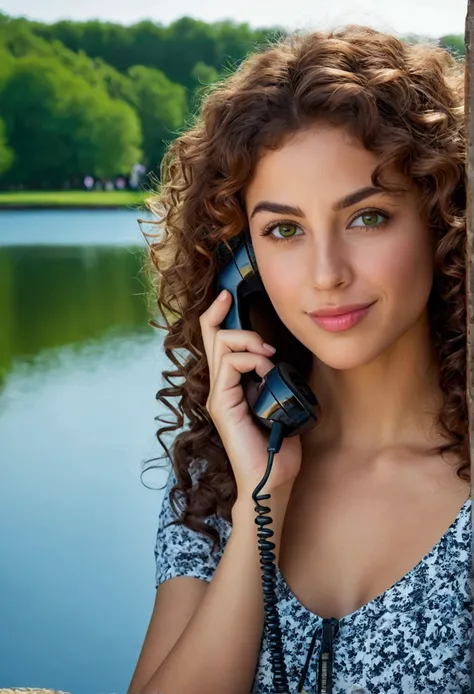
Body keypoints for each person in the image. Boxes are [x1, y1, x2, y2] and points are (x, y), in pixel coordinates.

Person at [128, 24, 471, 694]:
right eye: (284, 231)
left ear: (441, 216)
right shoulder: (212, 477)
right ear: (242, 266)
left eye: (367, 217)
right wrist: (266, 503)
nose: (326, 274)